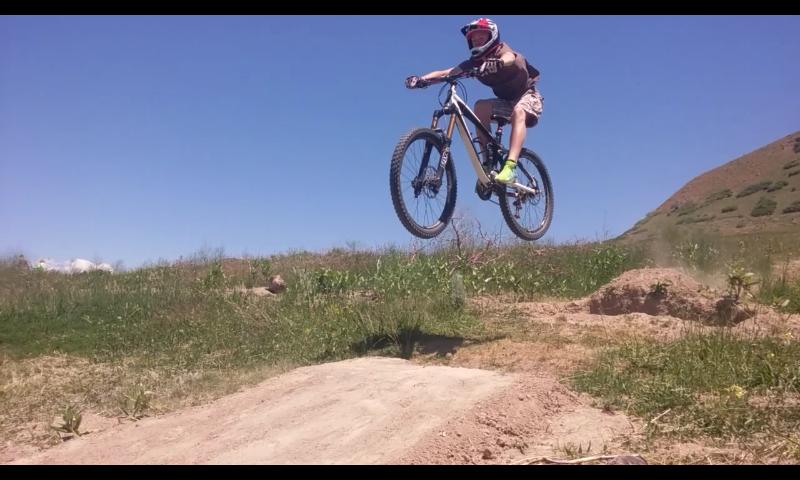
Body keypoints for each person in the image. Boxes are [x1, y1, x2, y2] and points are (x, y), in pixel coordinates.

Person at [405, 18, 543, 186]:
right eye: (473, 39)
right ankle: (487, 164)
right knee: (480, 107)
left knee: (518, 111)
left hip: (528, 96)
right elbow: (447, 73)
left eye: (481, 37)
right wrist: (422, 80)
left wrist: (498, 62)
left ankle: (510, 167)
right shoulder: (474, 63)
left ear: (492, 36)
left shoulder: (500, 50)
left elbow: (510, 57)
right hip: (506, 102)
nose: (476, 40)